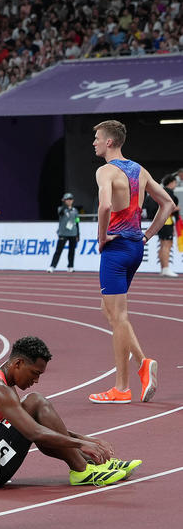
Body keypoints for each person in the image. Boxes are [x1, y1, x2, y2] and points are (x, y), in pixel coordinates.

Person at [0, 336, 139, 489]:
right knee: (36, 402)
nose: (36, 380)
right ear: (17, 364)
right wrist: (82, 442)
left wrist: (88, 440)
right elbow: (34, 432)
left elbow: (37, 429)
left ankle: (93, 462)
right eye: (35, 373)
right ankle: (83, 470)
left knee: (35, 407)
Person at [88, 119, 173, 405]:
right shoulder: (139, 170)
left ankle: (122, 388)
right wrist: (148, 234)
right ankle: (143, 363)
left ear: (110, 142)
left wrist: (101, 238)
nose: (94, 142)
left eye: (97, 138)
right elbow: (169, 204)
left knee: (118, 316)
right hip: (135, 246)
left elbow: (104, 205)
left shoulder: (105, 171)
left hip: (116, 247)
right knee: (110, 311)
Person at [151, 172, 177, 277]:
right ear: (171, 183)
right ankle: (166, 268)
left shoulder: (161, 191)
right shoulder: (169, 192)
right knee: (166, 245)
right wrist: (176, 208)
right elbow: (169, 206)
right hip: (166, 221)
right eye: (175, 183)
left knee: (162, 245)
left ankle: (163, 268)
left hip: (161, 221)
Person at [47, 192, 80, 273]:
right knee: (58, 250)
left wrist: (78, 234)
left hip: (73, 233)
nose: (69, 201)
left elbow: (77, 222)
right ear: (64, 200)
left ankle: (70, 266)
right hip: (63, 233)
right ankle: (52, 266)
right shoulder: (61, 209)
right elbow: (60, 212)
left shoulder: (75, 211)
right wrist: (64, 204)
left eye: (70, 199)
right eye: (67, 199)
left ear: (72, 200)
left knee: (72, 251)